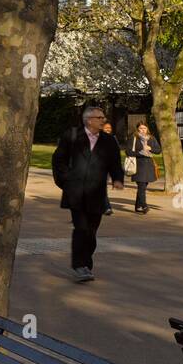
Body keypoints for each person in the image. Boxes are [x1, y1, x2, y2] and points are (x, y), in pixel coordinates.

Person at [51, 106, 125, 282]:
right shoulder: (73, 135)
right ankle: (80, 266)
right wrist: (66, 180)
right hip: (76, 191)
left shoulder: (108, 140)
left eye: (103, 117)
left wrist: (117, 178)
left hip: (96, 192)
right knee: (81, 228)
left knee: (91, 231)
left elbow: (115, 162)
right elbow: (58, 159)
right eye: (100, 117)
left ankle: (86, 264)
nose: (103, 120)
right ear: (89, 120)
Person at [128, 123, 159, 214]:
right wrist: (140, 153)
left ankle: (138, 206)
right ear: (137, 129)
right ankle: (144, 205)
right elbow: (128, 151)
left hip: (149, 165)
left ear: (147, 129)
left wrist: (150, 148)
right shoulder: (133, 138)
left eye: (144, 128)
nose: (143, 130)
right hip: (138, 164)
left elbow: (158, 150)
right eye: (140, 128)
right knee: (141, 185)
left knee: (144, 185)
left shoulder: (152, 138)